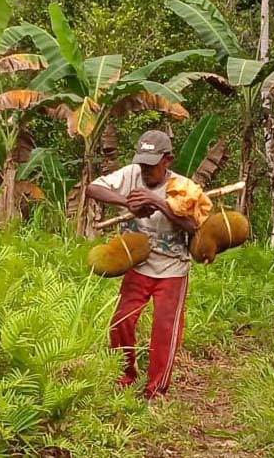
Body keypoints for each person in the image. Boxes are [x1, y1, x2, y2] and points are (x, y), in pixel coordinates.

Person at [86, 130, 198, 400]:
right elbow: (93, 188)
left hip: (172, 268)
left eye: (152, 165)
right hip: (137, 263)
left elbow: (193, 224)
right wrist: (127, 201)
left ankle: (156, 390)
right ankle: (125, 376)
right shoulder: (130, 175)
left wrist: (159, 203)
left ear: (167, 160)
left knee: (164, 329)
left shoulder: (183, 187)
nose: (146, 171)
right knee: (121, 321)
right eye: (143, 164)